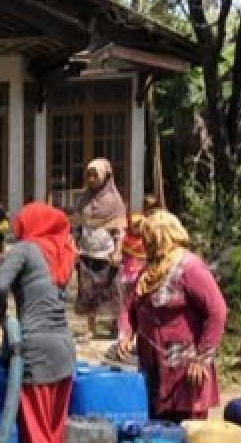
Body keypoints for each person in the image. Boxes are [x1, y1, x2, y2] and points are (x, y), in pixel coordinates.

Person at [0, 203, 77, 443]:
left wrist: (2, 317)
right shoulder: (61, 253)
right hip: (65, 348)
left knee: (36, 425)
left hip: (37, 347)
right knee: (54, 426)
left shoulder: (25, 249)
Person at [116, 210, 227, 421]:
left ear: (162, 237)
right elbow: (130, 306)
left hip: (184, 371)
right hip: (153, 367)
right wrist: (125, 334)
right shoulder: (150, 269)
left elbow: (217, 311)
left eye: (149, 239)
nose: (144, 244)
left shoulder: (190, 267)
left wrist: (202, 359)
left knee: (185, 434)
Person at [73, 158, 127, 337]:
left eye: (96, 175)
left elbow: (119, 230)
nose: (92, 178)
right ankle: (90, 328)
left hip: (107, 253)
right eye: (89, 174)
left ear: (106, 176)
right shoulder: (83, 199)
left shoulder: (115, 201)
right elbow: (77, 226)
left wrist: (118, 251)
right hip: (87, 251)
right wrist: (74, 245)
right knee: (88, 290)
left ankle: (115, 326)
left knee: (112, 290)